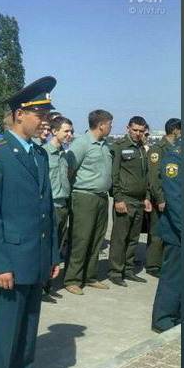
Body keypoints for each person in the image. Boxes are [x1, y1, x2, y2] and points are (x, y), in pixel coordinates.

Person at [0, 76, 61, 368]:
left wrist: (52, 254)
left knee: (27, 334)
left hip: (36, 259)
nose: (45, 121)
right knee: (3, 336)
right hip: (9, 263)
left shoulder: (39, 154)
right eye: (41, 114)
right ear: (20, 114)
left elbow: (46, 209)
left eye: (48, 115)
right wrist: (0, 264)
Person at [62, 109, 114, 295]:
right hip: (84, 197)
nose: (111, 127)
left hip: (101, 197)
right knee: (81, 239)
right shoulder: (82, 143)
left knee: (96, 239)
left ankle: (90, 276)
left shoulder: (104, 144)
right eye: (109, 124)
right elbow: (69, 169)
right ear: (101, 125)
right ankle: (72, 279)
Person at [107, 116, 152, 287]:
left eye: (141, 131)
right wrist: (118, 198)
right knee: (120, 238)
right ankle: (115, 272)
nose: (138, 133)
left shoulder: (141, 148)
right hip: (125, 199)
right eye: (135, 130)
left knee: (133, 238)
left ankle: (128, 269)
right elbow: (114, 175)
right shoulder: (119, 146)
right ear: (128, 128)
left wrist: (147, 197)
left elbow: (145, 175)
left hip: (139, 201)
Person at [41, 116, 74, 302]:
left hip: (63, 205)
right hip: (50, 205)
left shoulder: (65, 154)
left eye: (71, 131)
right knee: (45, 248)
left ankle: (48, 285)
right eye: (66, 131)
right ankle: (40, 287)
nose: (70, 134)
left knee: (57, 248)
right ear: (54, 131)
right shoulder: (44, 153)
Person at [151, 138, 181, 333]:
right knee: (174, 278)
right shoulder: (176, 158)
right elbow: (175, 199)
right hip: (179, 231)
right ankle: (163, 320)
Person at [146, 118, 181, 278]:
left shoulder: (174, 148)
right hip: (161, 198)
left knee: (168, 231)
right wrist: (160, 199)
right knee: (157, 232)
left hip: (172, 198)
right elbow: (154, 177)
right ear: (175, 131)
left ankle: (163, 262)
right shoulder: (158, 149)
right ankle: (153, 265)